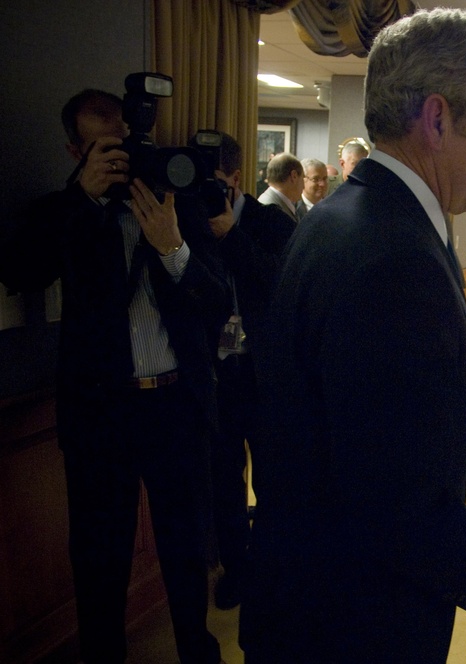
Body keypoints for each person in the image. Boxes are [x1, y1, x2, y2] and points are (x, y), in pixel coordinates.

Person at [240, 8, 466, 663]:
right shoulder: (394, 258)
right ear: (437, 118)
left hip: (303, 595)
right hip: (350, 622)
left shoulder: (341, 216)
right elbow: (391, 508)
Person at [0, 89, 228, 663]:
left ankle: (195, 653)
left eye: (126, 142)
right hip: (102, 417)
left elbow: (218, 301)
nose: (122, 158)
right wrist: (84, 198)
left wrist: (172, 247)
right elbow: (21, 270)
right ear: (76, 149)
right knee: (99, 561)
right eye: (104, 147)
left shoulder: (178, 200)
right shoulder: (66, 210)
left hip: (176, 408)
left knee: (185, 552)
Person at [197, 132, 297, 611]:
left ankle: (276, 570)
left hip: (265, 373)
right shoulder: (185, 223)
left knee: (274, 480)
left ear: (236, 179)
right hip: (216, 375)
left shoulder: (270, 222)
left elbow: (280, 285)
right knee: (224, 482)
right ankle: (236, 569)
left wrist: (230, 237)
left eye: (217, 182)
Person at [256, 152, 304, 221]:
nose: (304, 186)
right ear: (294, 176)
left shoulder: (272, 203)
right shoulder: (270, 210)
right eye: (302, 178)